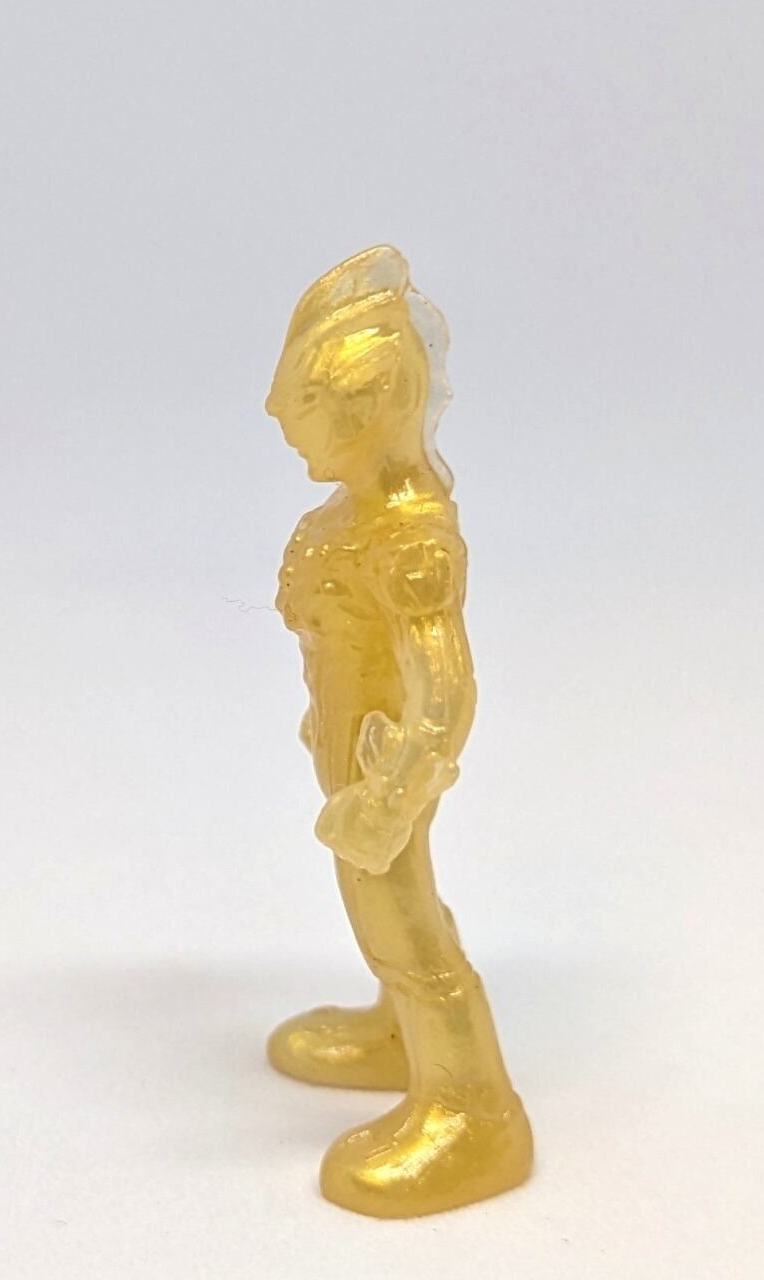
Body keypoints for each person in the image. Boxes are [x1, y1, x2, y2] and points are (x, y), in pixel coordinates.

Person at [264, 245, 533, 1217]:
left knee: (398, 912)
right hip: (350, 757)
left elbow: (445, 689)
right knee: (380, 904)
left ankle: (474, 1107)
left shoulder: (408, 536)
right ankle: (398, 1033)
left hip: (385, 773)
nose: (282, 429)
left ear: (366, 406)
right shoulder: (353, 518)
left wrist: (391, 792)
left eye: (301, 412)